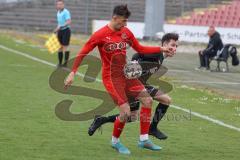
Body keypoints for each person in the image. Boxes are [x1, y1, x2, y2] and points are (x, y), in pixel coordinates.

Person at [64, 5, 174, 155]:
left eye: (126, 22)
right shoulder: (99, 35)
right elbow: (83, 52)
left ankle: (143, 140)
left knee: (147, 100)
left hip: (127, 76)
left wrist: (160, 49)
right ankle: (115, 142)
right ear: (115, 18)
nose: (125, 25)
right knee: (126, 112)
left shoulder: (126, 32)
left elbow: (140, 49)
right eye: (123, 21)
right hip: (111, 78)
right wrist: (72, 73)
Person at [88, 33, 179, 141]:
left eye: (176, 46)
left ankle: (102, 120)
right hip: (134, 84)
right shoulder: (157, 53)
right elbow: (138, 54)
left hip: (139, 84)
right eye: (172, 45)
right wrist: (133, 65)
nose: (175, 49)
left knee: (131, 117)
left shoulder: (161, 57)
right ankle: (152, 129)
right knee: (166, 99)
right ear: (164, 44)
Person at [54, 0, 71, 67]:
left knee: (65, 47)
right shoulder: (58, 12)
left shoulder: (66, 12)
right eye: (58, 4)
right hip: (60, 31)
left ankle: (66, 63)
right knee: (59, 47)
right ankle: (60, 63)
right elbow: (59, 23)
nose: (59, 5)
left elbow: (69, 21)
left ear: (63, 5)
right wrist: (56, 29)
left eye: (61, 4)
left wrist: (62, 26)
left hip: (66, 30)